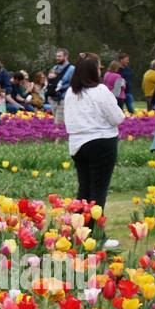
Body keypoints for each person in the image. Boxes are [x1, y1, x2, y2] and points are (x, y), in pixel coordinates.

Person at [63, 54, 125, 212]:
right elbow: (117, 117)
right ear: (93, 71)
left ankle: (78, 228)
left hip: (77, 144)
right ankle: (94, 230)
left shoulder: (71, 92)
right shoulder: (100, 90)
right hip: (101, 141)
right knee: (98, 189)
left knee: (84, 188)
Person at [44, 48, 74, 122]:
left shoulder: (72, 69)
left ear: (66, 57)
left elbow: (73, 84)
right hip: (53, 98)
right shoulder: (55, 68)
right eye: (57, 56)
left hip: (63, 98)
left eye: (59, 56)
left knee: (58, 123)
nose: (57, 58)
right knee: (56, 120)